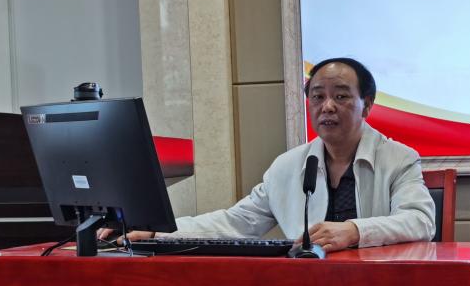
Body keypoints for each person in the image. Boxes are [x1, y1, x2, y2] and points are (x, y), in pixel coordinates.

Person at [114, 58, 434, 252]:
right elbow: (236, 223)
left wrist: (354, 231)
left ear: (368, 105)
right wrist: (158, 232)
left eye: (341, 97)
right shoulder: (288, 166)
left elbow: (420, 221)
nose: (327, 106)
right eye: (317, 97)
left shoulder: (399, 159)